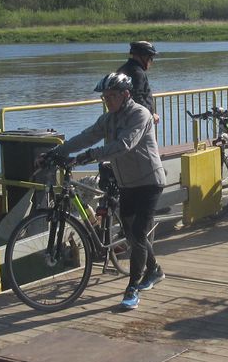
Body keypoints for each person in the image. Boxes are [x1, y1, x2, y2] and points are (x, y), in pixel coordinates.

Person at [44, 71, 166, 311]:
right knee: (131, 234)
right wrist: (56, 152)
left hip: (149, 182)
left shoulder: (140, 115)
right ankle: (154, 270)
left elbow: (124, 145)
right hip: (127, 183)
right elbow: (86, 137)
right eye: (105, 97)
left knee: (138, 234)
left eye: (111, 96)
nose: (107, 100)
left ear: (126, 95)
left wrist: (89, 156)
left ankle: (132, 288)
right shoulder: (108, 119)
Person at [118, 41, 158, 123]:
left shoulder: (123, 68)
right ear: (143, 56)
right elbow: (137, 96)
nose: (151, 61)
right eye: (150, 58)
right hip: (138, 118)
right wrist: (151, 113)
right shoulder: (138, 73)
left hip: (122, 116)